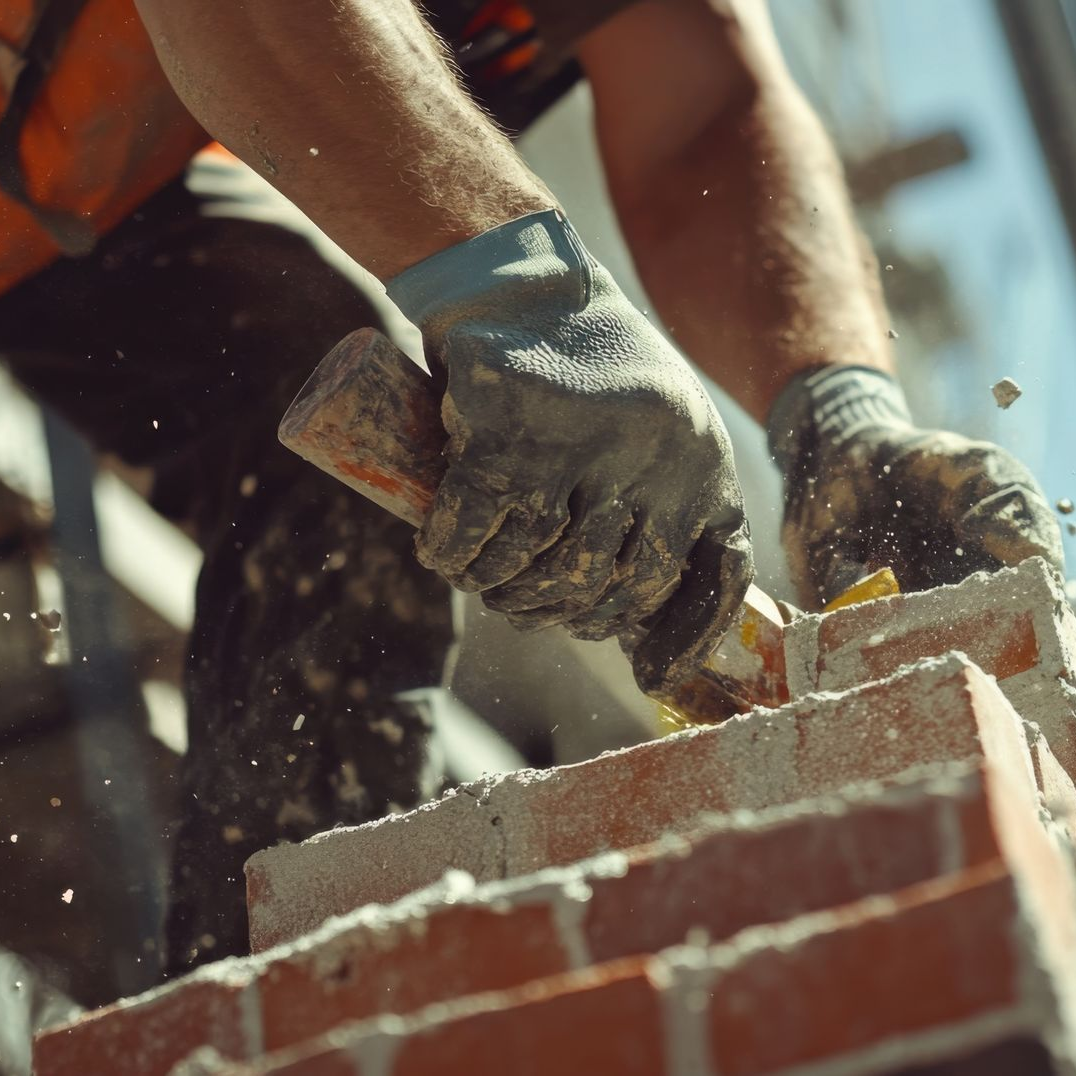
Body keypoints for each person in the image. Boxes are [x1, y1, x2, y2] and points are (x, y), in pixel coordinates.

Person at [0, 0, 1062, 998]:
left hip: (94, 182)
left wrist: (836, 413)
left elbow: (700, 104)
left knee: (337, 450)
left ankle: (267, 1013)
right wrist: (524, 298)